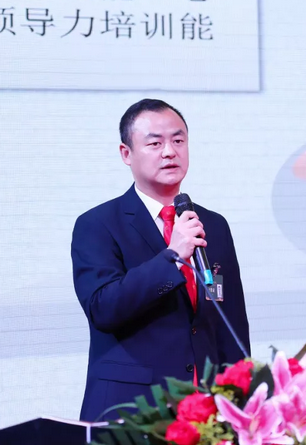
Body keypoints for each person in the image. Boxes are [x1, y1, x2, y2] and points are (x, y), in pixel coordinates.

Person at [71, 99, 250, 422]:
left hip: (207, 412)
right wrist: (172, 257)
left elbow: (230, 321)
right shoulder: (98, 224)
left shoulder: (213, 225)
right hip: (131, 410)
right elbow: (103, 308)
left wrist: (243, 402)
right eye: (155, 143)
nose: (169, 152)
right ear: (126, 153)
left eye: (178, 140)